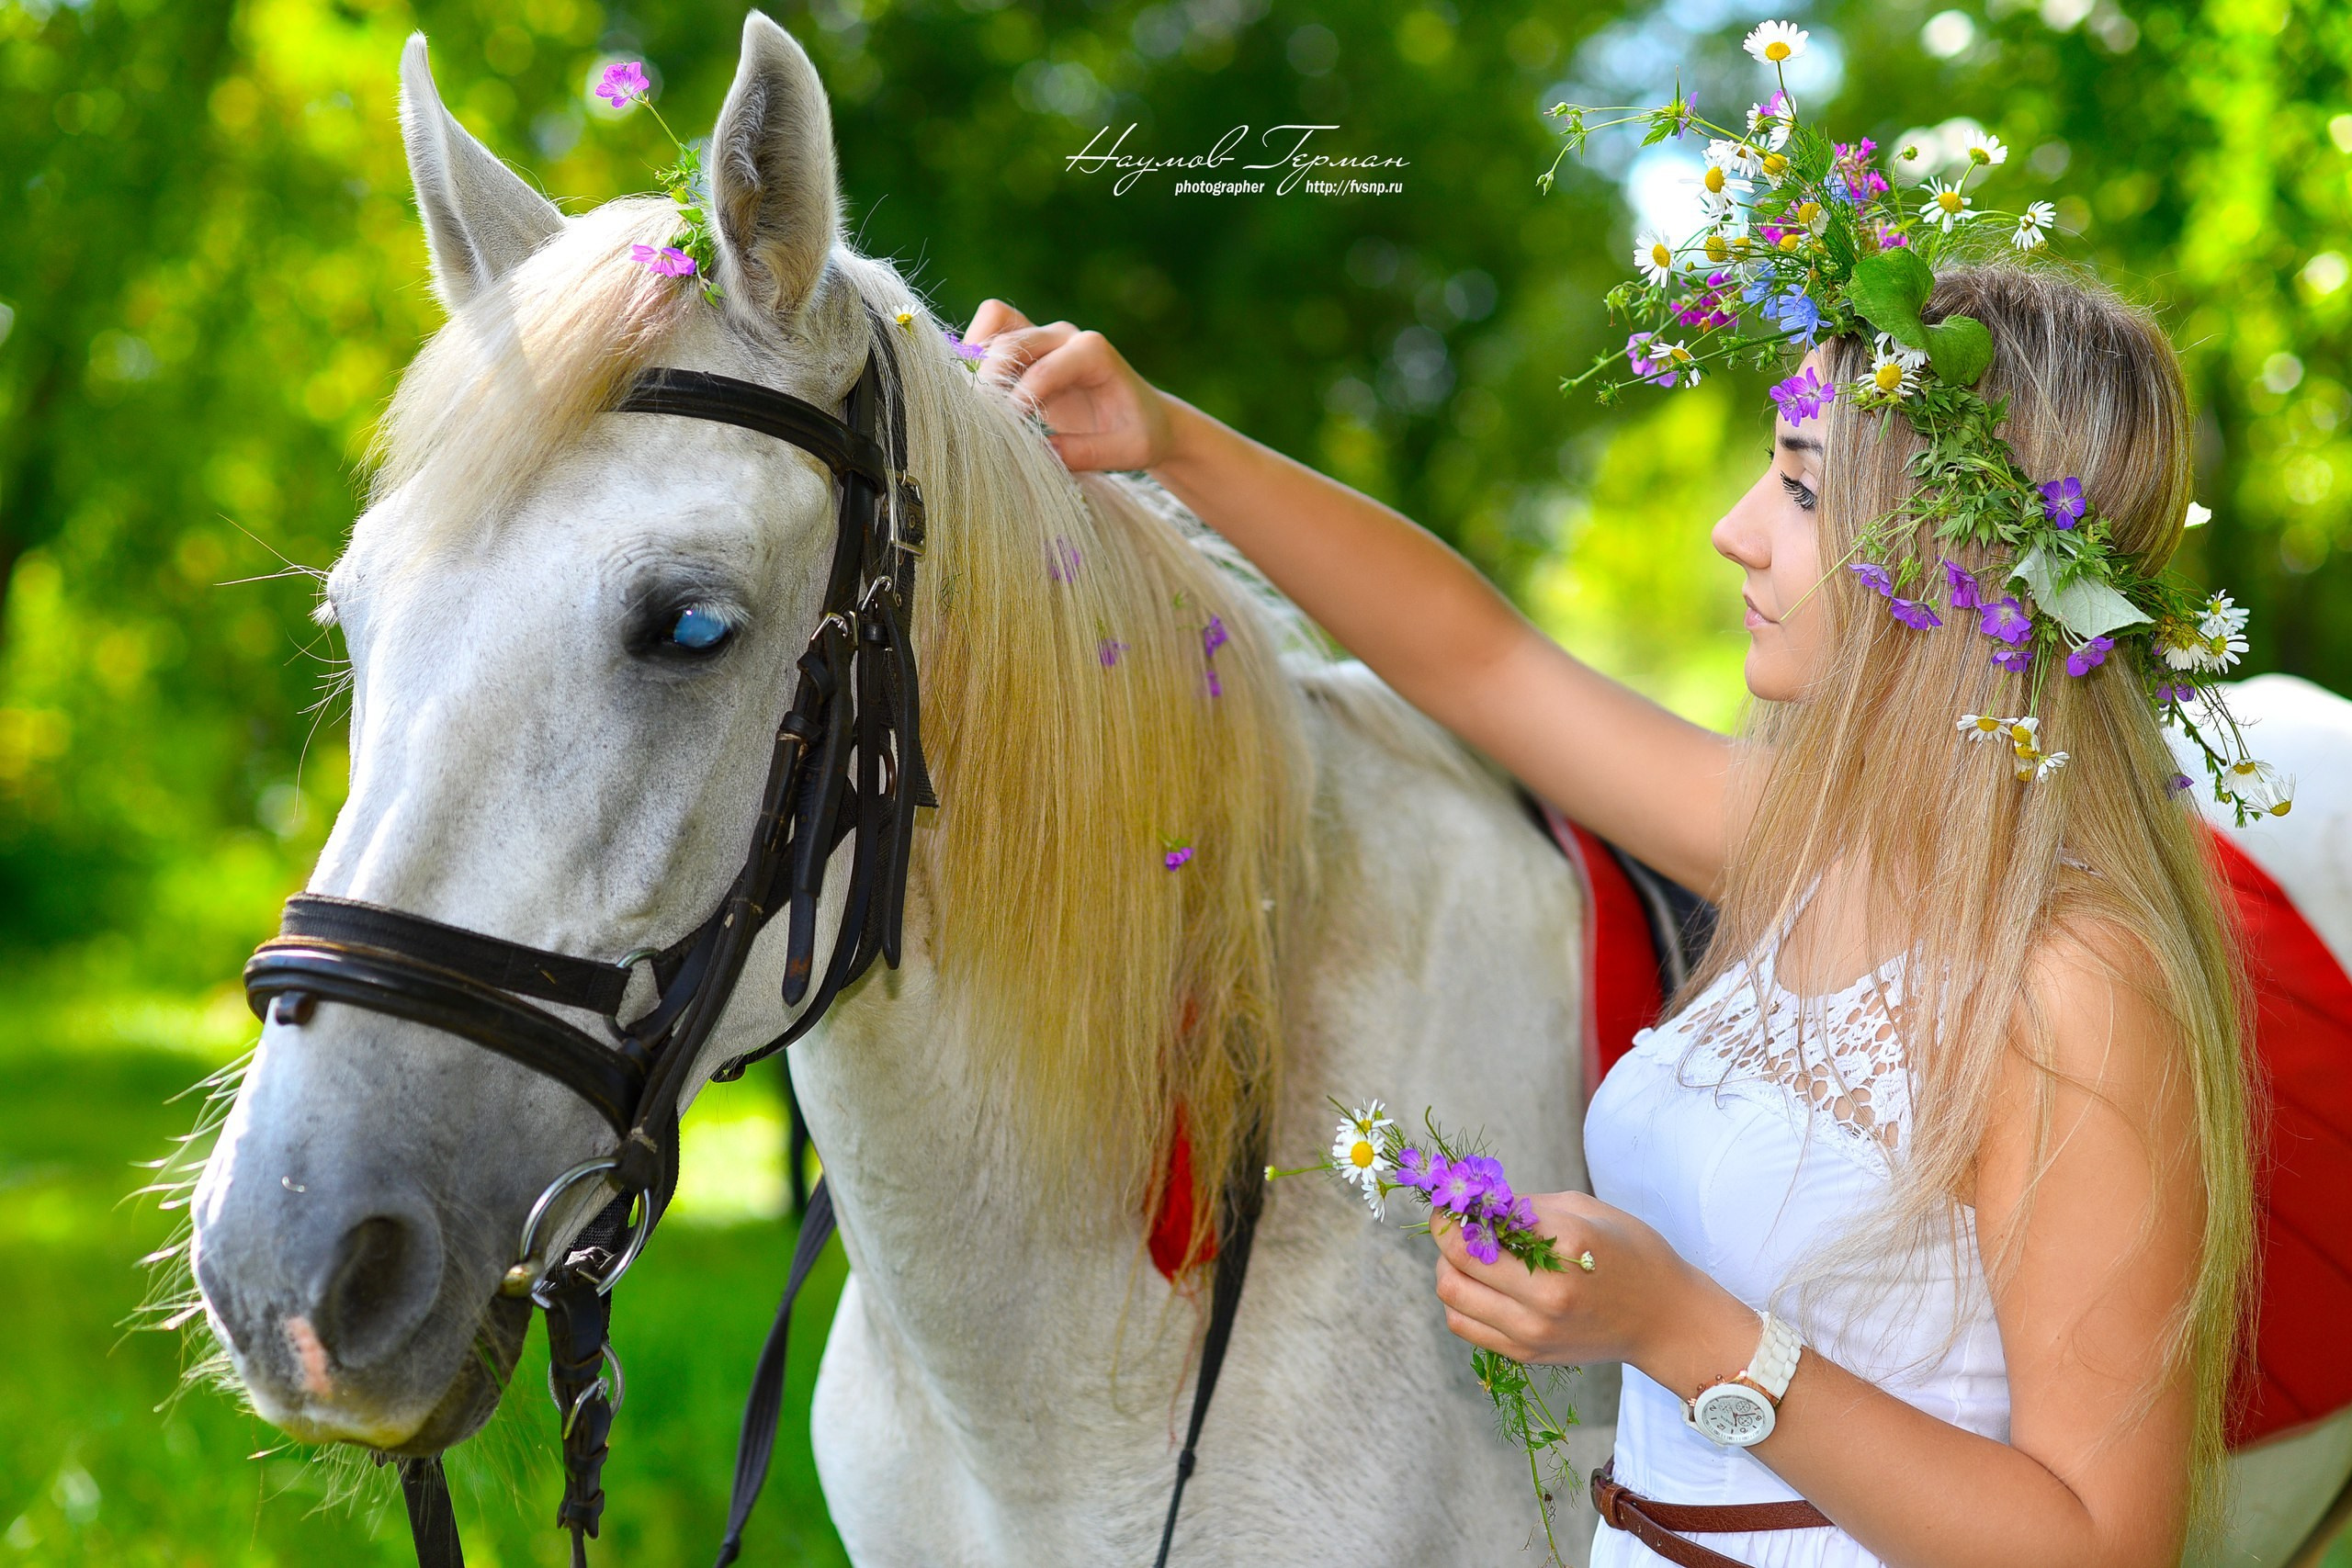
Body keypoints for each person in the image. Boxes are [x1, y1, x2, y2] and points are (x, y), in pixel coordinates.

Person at [957, 259, 2251, 1568]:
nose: (1737, 529)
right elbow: (1482, 660)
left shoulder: (2074, 981)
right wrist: (1167, 438)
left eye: (1803, 489)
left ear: (1952, 553)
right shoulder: (1806, 844)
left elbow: (2101, 1545)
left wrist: (1682, 1332)